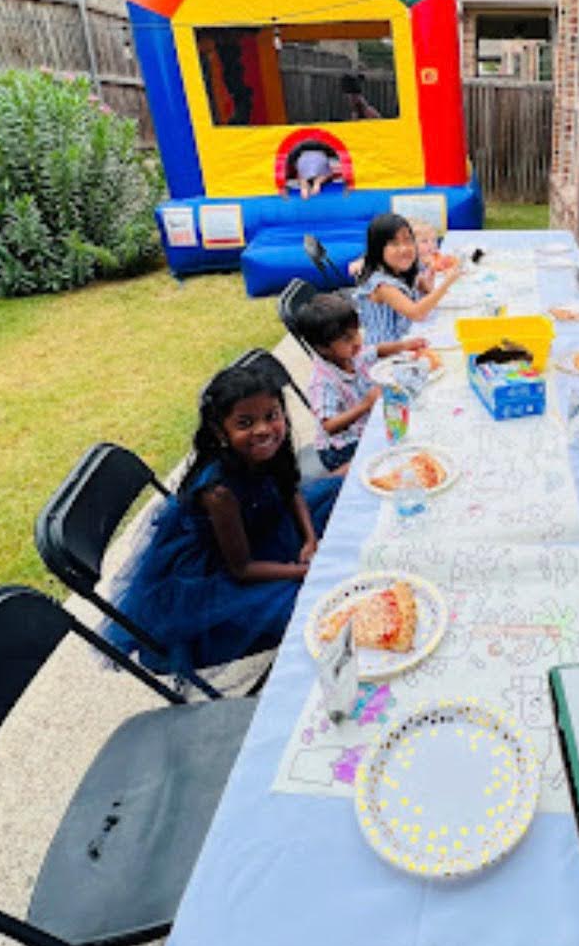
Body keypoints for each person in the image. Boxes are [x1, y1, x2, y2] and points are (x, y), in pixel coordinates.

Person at [107, 363, 341, 675]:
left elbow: (290, 492)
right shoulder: (219, 492)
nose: (263, 429)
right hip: (228, 564)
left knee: (342, 501)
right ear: (221, 432)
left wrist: (310, 539)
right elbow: (241, 568)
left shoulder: (272, 447)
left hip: (268, 521)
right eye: (245, 423)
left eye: (271, 415)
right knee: (315, 605)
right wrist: (301, 571)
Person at [299, 291, 428, 471]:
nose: (358, 341)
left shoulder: (350, 353)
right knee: (399, 455)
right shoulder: (322, 380)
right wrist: (365, 405)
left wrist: (404, 346)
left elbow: (375, 351)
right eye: (347, 339)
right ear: (323, 348)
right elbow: (329, 426)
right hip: (341, 448)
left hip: (363, 425)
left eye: (356, 333)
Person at [354, 212, 462, 342]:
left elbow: (421, 308)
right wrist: (446, 284)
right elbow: (417, 313)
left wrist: (426, 289)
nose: (404, 249)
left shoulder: (401, 273)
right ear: (378, 249)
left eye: (408, 241)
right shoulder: (382, 285)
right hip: (385, 352)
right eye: (394, 244)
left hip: (406, 341)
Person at [412, 220, 456, 292]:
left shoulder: (430, 257)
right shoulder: (412, 264)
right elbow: (426, 288)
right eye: (424, 241)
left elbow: (445, 265)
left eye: (434, 240)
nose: (431, 245)